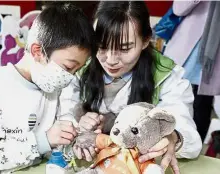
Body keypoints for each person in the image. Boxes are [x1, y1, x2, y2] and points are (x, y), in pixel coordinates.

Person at [58, 1, 202, 173]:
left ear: (146, 41)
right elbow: (61, 118)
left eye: (124, 49)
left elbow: (189, 135)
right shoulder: (78, 66)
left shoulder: (166, 76)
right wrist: (78, 129)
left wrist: (172, 137)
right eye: (101, 46)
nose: (110, 59)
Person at [0, 3, 96, 174]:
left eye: (77, 70)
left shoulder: (51, 87)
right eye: (68, 67)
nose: (69, 77)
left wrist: (75, 142)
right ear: (37, 51)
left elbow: (53, 146)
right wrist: (44, 140)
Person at [163, 0, 212, 141]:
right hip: (185, 53)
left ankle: (192, 150)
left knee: (202, 107)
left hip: (212, 57)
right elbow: (179, 8)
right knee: (170, 102)